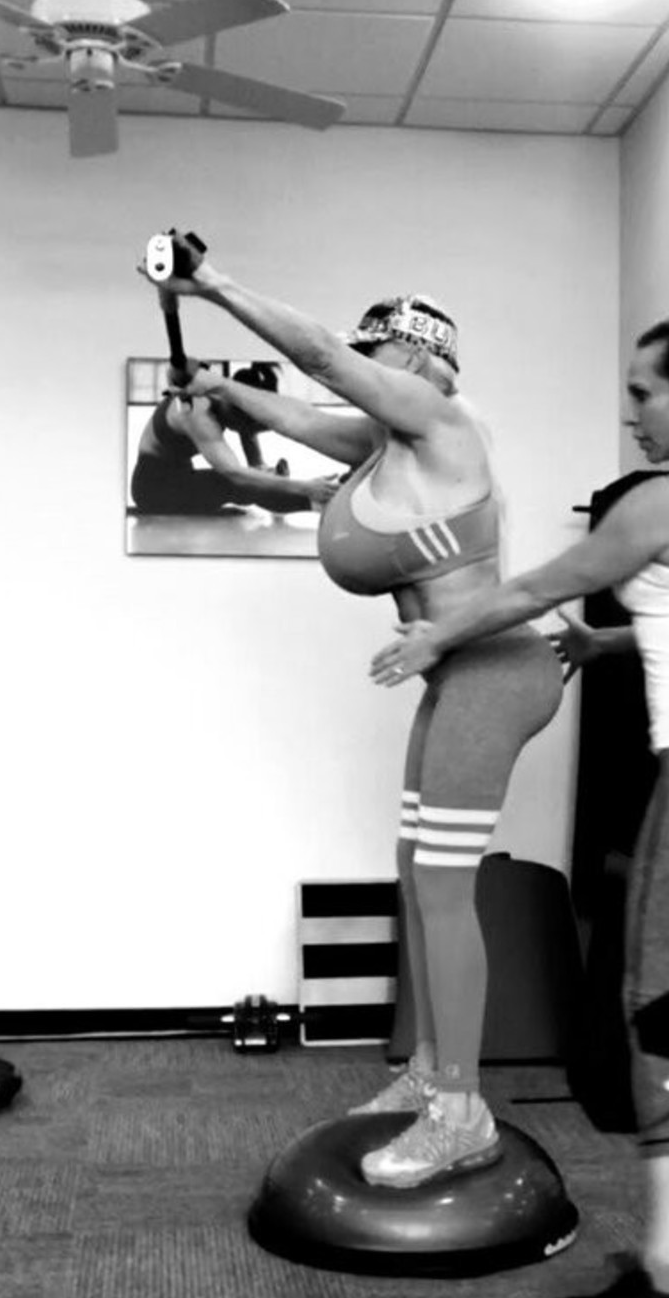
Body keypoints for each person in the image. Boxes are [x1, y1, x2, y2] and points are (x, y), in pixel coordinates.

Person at [371, 313, 669, 1298]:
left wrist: (435, 634)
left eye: (644, 393)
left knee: (653, 1006)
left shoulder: (667, 499)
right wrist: (605, 645)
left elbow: (530, 587)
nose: (633, 415)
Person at [143, 239, 563, 1189]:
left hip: (496, 672)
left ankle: (461, 1111)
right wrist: (218, 391)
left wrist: (212, 285)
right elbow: (298, 420)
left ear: (414, 357)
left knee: (445, 889)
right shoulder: (387, 450)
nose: (365, 369)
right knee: (418, 877)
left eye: (379, 355)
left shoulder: (443, 419)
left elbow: (324, 363)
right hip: (456, 676)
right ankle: (432, 1073)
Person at [129, 352, 337, 518]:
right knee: (235, 483)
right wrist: (304, 488)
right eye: (245, 425)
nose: (246, 431)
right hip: (153, 490)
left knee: (256, 478)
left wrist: (261, 468)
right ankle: (316, 503)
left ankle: (319, 497)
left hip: (179, 474)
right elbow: (234, 474)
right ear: (233, 410)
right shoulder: (198, 413)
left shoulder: (226, 395)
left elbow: (247, 433)